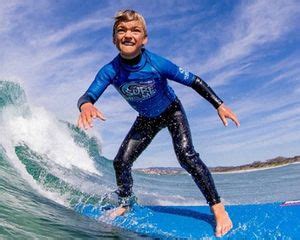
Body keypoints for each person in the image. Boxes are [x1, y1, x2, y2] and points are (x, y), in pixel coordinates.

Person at [77, 9, 240, 237]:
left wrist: (219, 104)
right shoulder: (110, 71)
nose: (128, 35)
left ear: (144, 39)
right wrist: (86, 105)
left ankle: (218, 208)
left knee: (186, 156)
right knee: (121, 162)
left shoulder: (156, 63)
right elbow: (88, 95)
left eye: (135, 30)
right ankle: (125, 204)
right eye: (121, 30)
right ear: (115, 39)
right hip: (146, 119)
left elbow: (193, 80)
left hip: (172, 111)